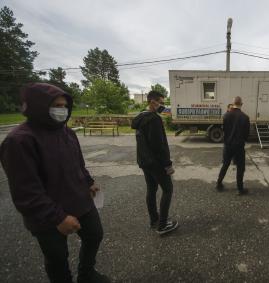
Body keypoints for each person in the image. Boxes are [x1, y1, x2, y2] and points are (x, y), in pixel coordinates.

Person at [0, 83, 109, 283]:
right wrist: (57, 218)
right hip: (47, 216)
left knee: (94, 235)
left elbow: (78, 164)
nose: (62, 110)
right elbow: (26, 192)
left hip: (80, 202)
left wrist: (88, 181)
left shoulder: (67, 133)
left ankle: (86, 274)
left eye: (65, 106)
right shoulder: (19, 141)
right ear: (37, 106)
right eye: (56, 105)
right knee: (58, 258)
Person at [131, 90, 178, 235]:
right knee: (168, 189)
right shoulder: (154, 119)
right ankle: (163, 225)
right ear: (153, 101)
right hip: (156, 163)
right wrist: (168, 164)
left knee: (151, 190)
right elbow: (159, 146)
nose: (163, 105)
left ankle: (154, 220)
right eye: (161, 102)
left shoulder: (140, 117)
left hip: (144, 162)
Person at [216, 96, 250, 195]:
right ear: (241, 104)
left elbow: (224, 131)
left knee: (225, 165)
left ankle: (218, 183)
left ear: (233, 103)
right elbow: (246, 135)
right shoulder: (245, 117)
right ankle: (240, 189)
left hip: (228, 145)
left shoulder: (226, 116)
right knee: (240, 167)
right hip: (239, 146)